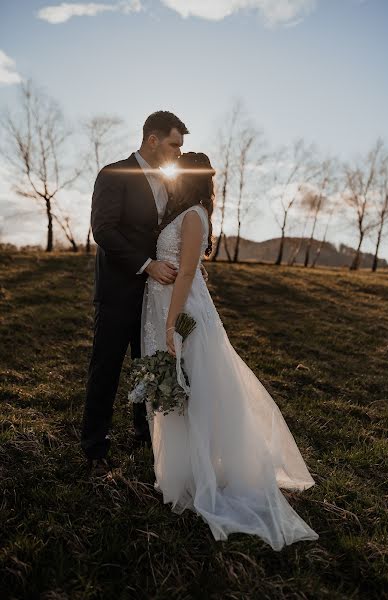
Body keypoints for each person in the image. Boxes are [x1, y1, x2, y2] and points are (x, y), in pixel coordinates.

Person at [141, 151, 319, 549]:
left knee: (193, 387)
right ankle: (183, 470)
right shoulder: (187, 212)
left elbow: (186, 271)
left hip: (181, 311)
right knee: (179, 388)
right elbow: (187, 264)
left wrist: (171, 324)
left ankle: (199, 473)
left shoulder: (193, 215)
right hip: (167, 304)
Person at [81, 111, 195, 476]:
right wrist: (147, 264)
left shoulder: (169, 182)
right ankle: (94, 447)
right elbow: (104, 230)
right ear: (152, 140)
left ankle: (143, 431)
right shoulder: (114, 174)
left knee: (146, 366)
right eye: (175, 144)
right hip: (117, 291)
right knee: (106, 369)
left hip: (153, 296)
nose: (179, 152)